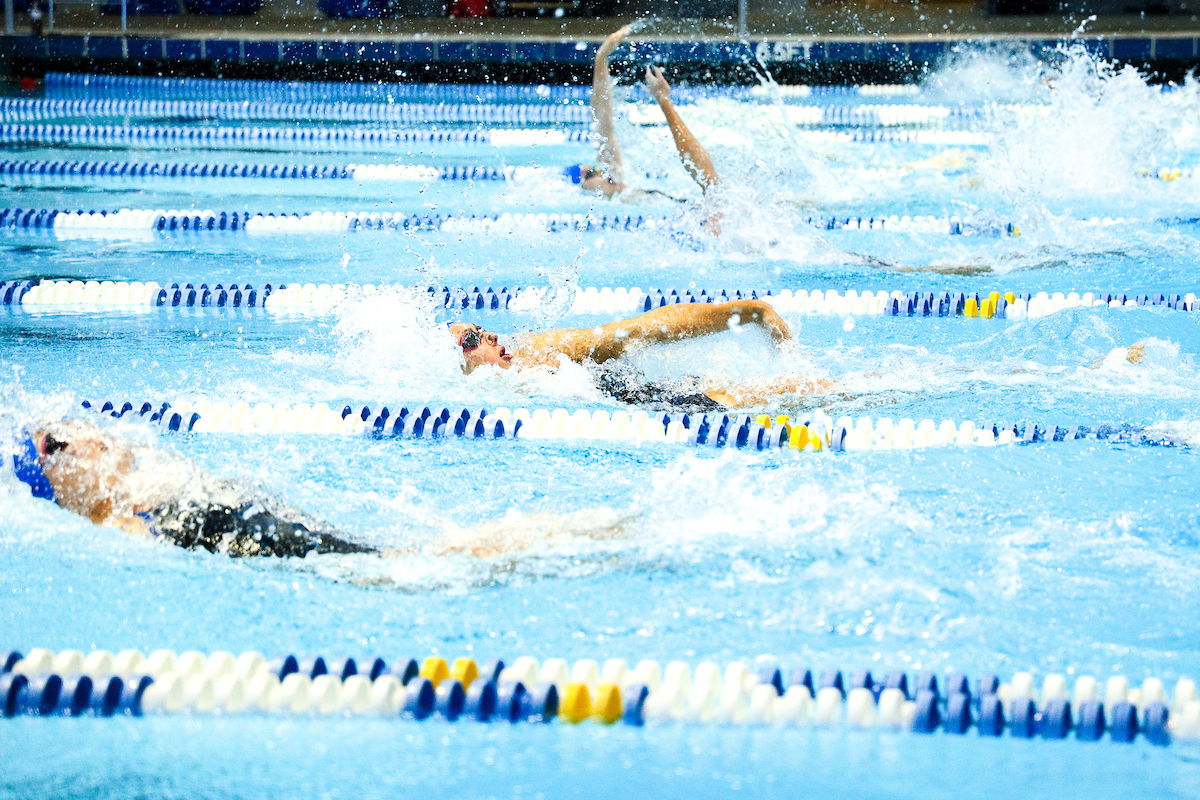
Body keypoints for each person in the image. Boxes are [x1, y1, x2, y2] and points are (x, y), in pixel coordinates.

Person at [5, 419, 635, 561]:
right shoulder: (117, 516)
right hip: (254, 532)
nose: (82, 440)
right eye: (56, 447)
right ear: (56, 481)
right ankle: (589, 537)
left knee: (414, 557)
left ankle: (590, 535)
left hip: (254, 523)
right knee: (416, 560)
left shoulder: (133, 485)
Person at [6, 420, 373, 558]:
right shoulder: (113, 521)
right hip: (226, 527)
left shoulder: (122, 480)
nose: (73, 440)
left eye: (55, 436)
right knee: (365, 559)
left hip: (233, 501)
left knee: (357, 547)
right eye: (53, 449)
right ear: (56, 489)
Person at [449, 298, 832, 410]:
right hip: (663, 401)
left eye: (481, 329)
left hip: (688, 402)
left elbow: (639, 331)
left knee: (828, 393)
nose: (490, 334)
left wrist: (748, 312)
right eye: (472, 340)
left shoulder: (540, 354)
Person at [567, 26, 721, 213]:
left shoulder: (618, 186)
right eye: (591, 175)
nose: (598, 175)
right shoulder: (610, 188)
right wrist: (601, 58)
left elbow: (603, 119)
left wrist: (601, 59)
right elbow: (602, 120)